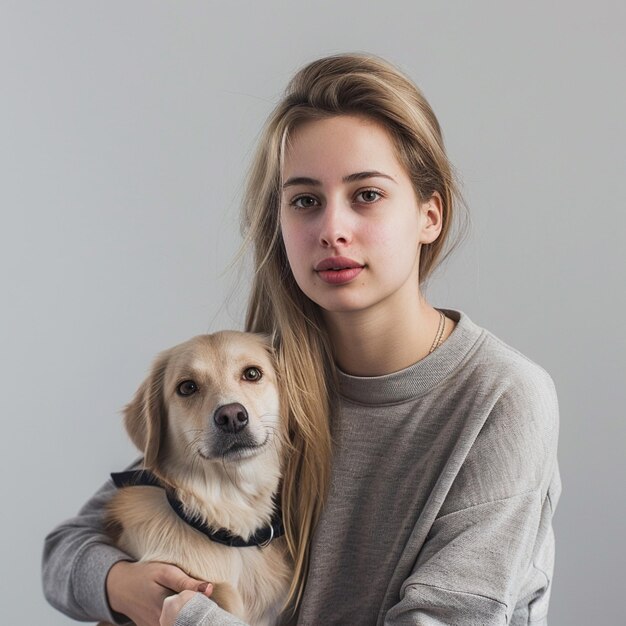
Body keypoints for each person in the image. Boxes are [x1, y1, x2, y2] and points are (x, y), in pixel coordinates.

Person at [42, 52, 561, 626]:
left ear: (429, 215)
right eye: (306, 201)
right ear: (282, 223)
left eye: (367, 194)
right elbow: (70, 550)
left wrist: (190, 617)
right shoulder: (266, 378)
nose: (332, 229)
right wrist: (122, 584)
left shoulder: (503, 396)